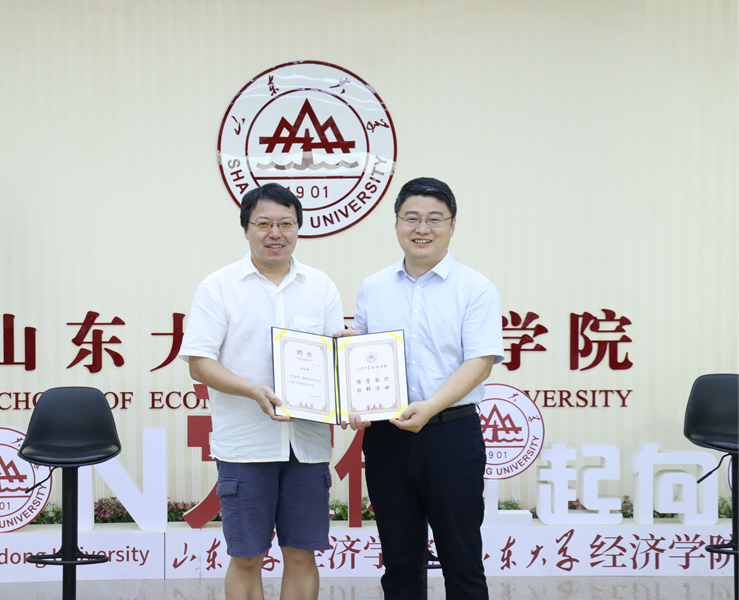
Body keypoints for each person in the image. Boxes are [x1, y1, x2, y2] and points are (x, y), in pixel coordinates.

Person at [339, 177, 503, 600]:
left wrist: (429, 406)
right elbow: (361, 355)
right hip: (386, 438)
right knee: (399, 563)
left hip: (451, 436)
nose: (422, 229)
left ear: (452, 225)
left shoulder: (475, 288)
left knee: (463, 562)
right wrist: (348, 387)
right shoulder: (375, 287)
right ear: (396, 224)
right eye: (411, 218)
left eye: (434, 219)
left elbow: (480, 362)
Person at [179, 183, 343, 600]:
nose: (276, 233)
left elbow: (334, 361)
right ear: (246, 229)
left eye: (286, 224)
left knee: (302, 555)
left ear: (298, 228)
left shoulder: (320, 286)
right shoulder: (219, 286)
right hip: (245, 447)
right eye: (264, 223)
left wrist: (351, 387)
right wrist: (253, 390)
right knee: (248, 556)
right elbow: (199, 362)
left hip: (307, 446)